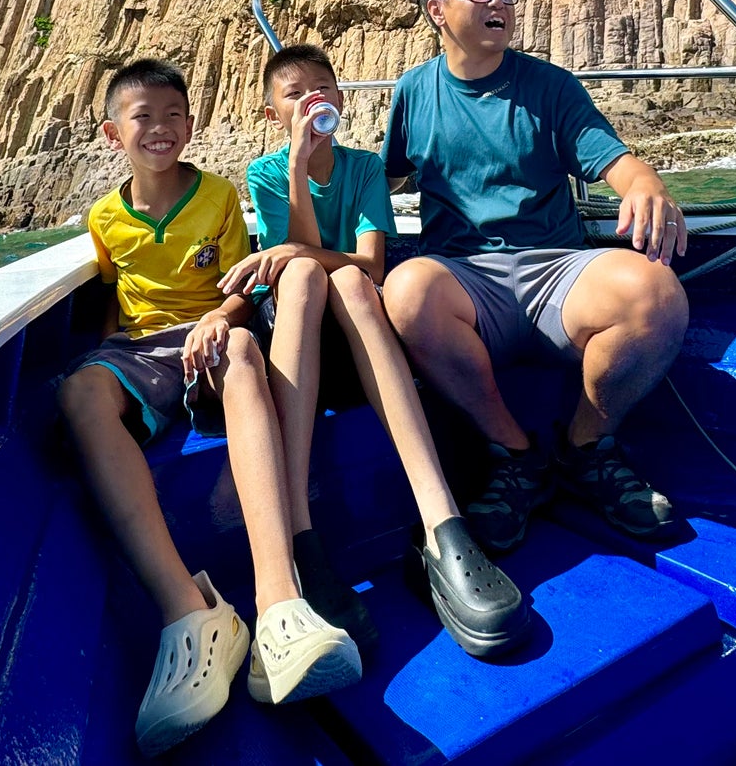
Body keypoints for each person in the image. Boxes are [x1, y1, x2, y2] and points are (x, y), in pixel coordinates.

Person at [58, 59, 360, 758]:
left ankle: (279, 602)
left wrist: (223, 318)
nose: (160, 128)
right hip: (144, 347)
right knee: (78, 391)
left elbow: (239, 287)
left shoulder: (220, 195)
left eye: (173, 115)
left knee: (247, 353)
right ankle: (189, 614)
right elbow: (115, 294)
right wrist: (106, 359)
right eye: (143, 116)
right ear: (113, 133)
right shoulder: (105, 216)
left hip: (214, 334)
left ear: (191, 124)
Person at [221, 44, 529, 660]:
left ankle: (442, 522)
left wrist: (300, 255)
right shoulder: (265, 173)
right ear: (269, 111)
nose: (311, 99)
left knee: (345, 279)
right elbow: (294, 260)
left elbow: (368, 262)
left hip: (361, 333)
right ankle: (302, 541)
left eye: (322, 88)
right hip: (297, 335)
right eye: (293, 93)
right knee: (309, 277)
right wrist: (298, 174)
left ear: (339, 99)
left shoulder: (363, 169)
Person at [381, 0, 690, 555]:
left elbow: (612, 160)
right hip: (466, 278)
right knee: (408, 290)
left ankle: (585, 448)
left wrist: (645, 181)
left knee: (654, 292)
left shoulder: (548, 85)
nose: (500, 2)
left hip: (557, 270)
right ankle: (515, 455)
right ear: (436, 11)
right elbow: (384, 183)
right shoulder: (414, 91)